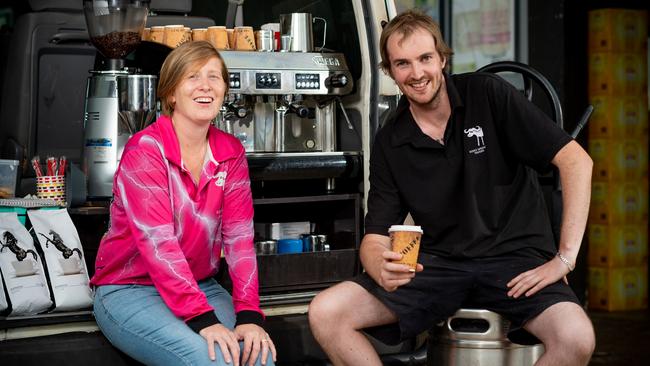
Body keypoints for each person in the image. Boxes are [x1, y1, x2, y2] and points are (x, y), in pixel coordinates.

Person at [309, 10, 595, 366]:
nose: (416, 74)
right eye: (402, 64)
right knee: (326, 312)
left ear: (442, 59)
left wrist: (564, 260)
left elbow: (577, 162)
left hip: (516, 260)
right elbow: (376, 234)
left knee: (577, 337)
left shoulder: (487, 94)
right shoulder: (390, 139)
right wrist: (378, 263)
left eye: (425, 58)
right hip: (438, 266)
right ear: (390, 71)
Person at [90, 41, 276, 366]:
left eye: (214, 77)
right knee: (212, 360)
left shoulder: (230, 152)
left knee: (257, 357)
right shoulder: (146, 151)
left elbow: (240, 241)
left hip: (201, 285)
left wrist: (249, 314)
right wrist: (204, 320)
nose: (205, 86)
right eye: (193, 76)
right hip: (130, 289)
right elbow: (159, 246)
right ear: (172, 93)